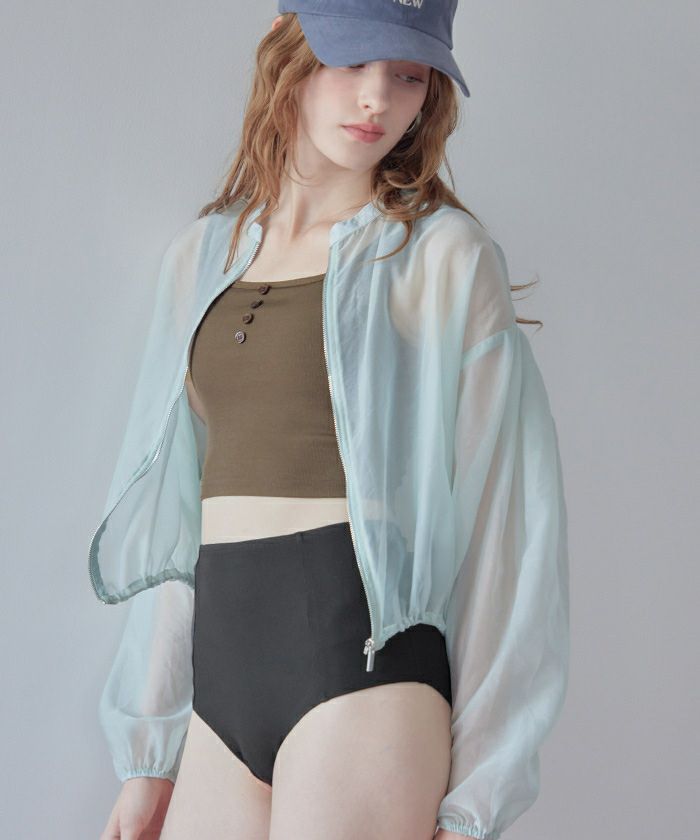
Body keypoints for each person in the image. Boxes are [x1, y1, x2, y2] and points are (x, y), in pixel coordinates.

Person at [96, 3, 570, 839]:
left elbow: (509, 530)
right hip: (220, 691)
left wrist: (478, 798)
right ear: (289, 55)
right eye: (352, 62)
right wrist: (149, 755)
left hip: (363, 675)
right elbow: (176, 525)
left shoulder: (439, 255)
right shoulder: (201, 258)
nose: (378, 99)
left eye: (409, 75)